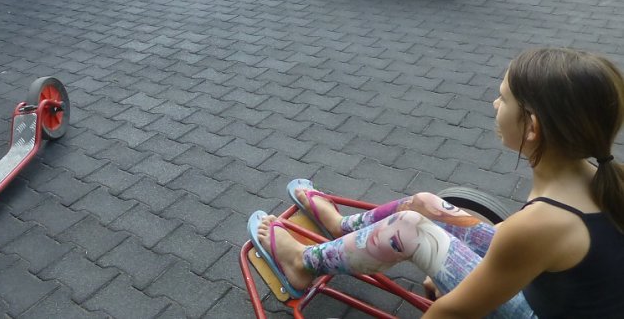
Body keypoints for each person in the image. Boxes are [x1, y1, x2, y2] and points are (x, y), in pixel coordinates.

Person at [249, 47, 624, 317]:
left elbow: (453, 312)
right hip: (549, 288)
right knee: (427, 204)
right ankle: (339, 226)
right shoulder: (598, 180)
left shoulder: (542, 223)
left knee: (409, 228)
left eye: (503, 98)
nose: (495, 104)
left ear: (532, 127)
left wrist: (452, 283)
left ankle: (302, 261)